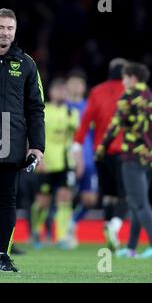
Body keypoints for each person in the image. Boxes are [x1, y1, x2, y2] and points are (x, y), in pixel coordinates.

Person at [0, 8, 45, 272]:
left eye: (10, 28)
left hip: (11, 144)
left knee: (8, 201)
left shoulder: (27, 63)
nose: (5, 33)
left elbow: (36, 107)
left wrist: (37, 146)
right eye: (0, 27)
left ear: (15, 32)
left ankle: (3, 256)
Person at [72, 58, 128, 251]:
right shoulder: (132, 92)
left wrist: (77, 145)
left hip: (101, 153)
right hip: (124, 151)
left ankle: (110, 230)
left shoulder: (97, 91)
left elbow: (85, 121)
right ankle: (114, 226)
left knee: (108, 195)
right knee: (126, 195)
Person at [97, 62, 152, 258]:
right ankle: (130, 248)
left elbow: (114, 126)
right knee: (140, 202)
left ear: (132, 78)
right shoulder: (149, 96)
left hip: (131, 155)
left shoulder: (128, 97)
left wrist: (102, 148)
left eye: (125, 78)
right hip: (148, 157)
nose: (124, 81)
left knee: (139, 203)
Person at [30, 78, 79, 249]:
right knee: (42, 201)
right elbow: (34, 133)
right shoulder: (44, 110)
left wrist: (77, 161)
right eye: (58, 90)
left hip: (65, 162)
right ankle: (35, 231)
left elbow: (75, 140)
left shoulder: (71, 113)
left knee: (65, 198)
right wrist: (37, 159)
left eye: (63, 91)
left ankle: (62, 236)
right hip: (46, 162)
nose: (61, 94)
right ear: (51, 93)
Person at [65, 72, 98, 248]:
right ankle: (60, 233)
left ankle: (72, 224)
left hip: (88, 159)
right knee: (65, 197)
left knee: (90, 199)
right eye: (74, 83)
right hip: (67, 159)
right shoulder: (62, 107)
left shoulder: (89, 107)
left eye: (80, 83)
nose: (77, 86)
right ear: (67, 86)